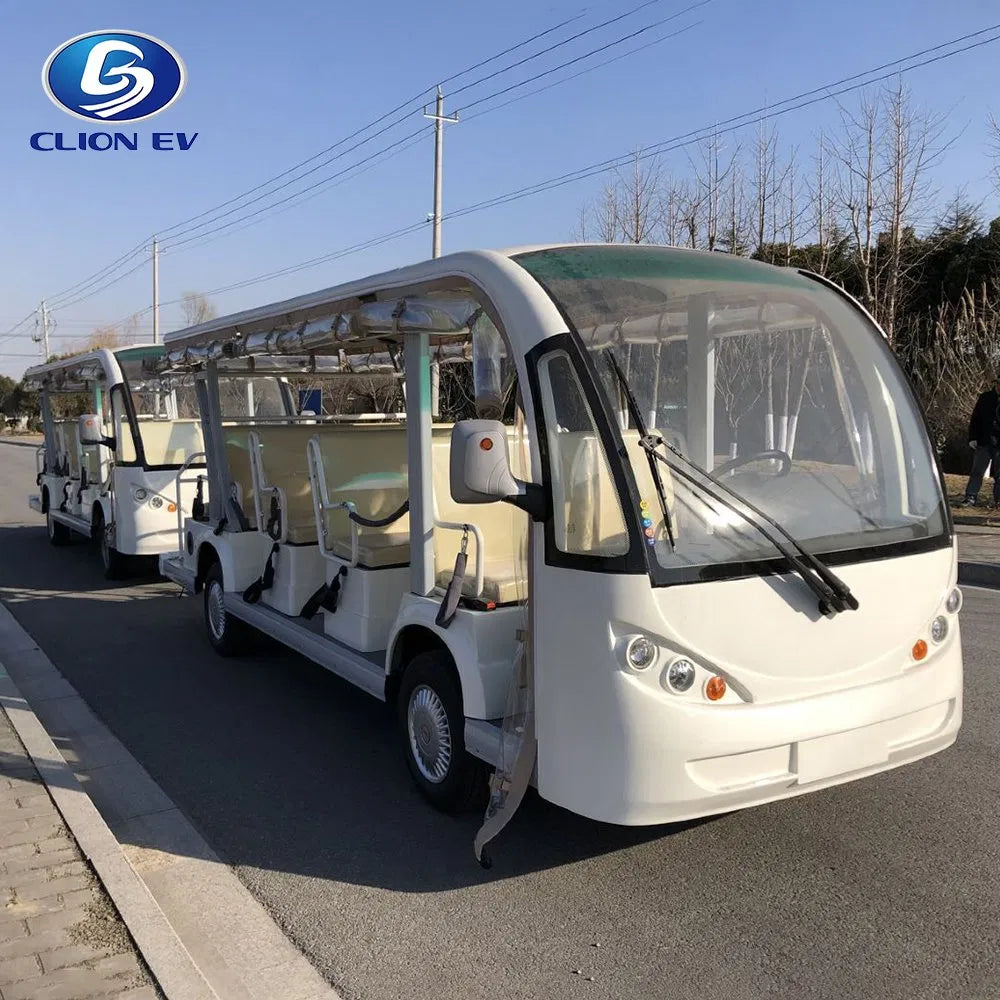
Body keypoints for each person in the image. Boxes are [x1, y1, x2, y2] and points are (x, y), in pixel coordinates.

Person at [961, 374, 1000, 506]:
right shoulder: (985, 398)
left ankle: (998, 499)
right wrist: (973, 437)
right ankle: (971, 496)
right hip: (984, 441)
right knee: (977, 471)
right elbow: (975, 419)